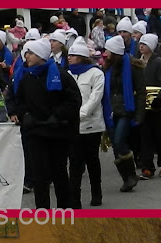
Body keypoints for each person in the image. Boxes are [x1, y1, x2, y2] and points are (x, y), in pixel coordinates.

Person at [8, 38, 81, 209]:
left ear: (41, 55)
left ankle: (65, 210)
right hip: (36, 133)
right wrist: (23, 114)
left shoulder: (60, 75)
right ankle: (42, 213)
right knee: (40, 177)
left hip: (57, 132)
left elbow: (74, 100)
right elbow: (19, 100)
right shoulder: (27, 76)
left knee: (59, 174)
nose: (27, 56)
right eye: (26, 53)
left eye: (31, 53)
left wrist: (57, 115)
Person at [102, 35, 146, 193]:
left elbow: (141, 91)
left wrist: (139, 115)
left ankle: (132, 174)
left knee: (120, 141)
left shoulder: (133, 65)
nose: (105, 53)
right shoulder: (107, 67)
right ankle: (127, 178)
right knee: (116, 146)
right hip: (111, 110)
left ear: (114, 52)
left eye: (108, 50)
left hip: (126, 110)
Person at [67, 37, 105, 207]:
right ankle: (75, 200)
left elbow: (95, 98)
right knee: (74, 165)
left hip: (91, 126)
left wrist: (80, 114)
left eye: (73, 55)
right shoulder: (67, 74)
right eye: (69, 55)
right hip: (73, 127)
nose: (69, 58)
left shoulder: (96, 73)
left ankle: (97, 193)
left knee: (92, 161)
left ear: (82, 56)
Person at [138, 34, 161, 180]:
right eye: (140, 44)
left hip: (157, 106)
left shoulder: (159, 62)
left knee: (160, 135)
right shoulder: (137, 63)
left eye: (145, 44)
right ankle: (147, 168)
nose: (141, 46)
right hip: (143, 106)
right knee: (145, 136)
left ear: (152, 47)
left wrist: (159, 98)